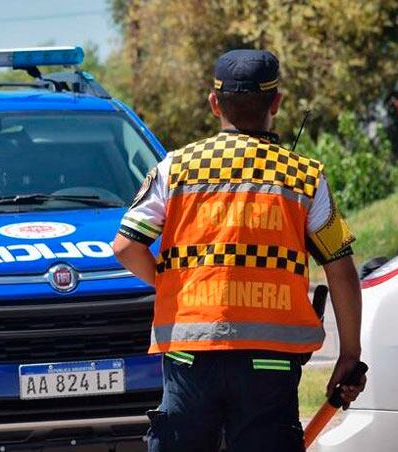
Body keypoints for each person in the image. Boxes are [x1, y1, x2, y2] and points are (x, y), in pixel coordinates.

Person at [112, 49, 366, 452]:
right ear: (277, 103)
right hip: (270, 364)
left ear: (215, 103)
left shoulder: (174, 169)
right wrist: (349, 354)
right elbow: (340, 268)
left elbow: (126, 246)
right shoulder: (303, 177)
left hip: (191, 357)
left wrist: (175, 285)